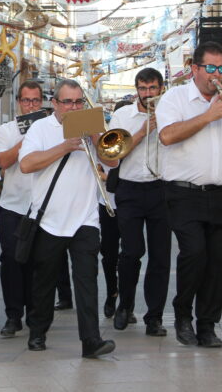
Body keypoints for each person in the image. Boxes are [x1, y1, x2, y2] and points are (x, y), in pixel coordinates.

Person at [156, 41, 222, 348]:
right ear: (195, 69)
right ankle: (183, 315)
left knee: (218, 262)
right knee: (194, 254)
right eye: (211, 68)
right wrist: (209, 115)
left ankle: (208, 324)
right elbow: (167, 136)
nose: (217, 75)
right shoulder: (175, 98)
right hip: (185, 194)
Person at [19, 79, 116, 358]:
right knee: (44, 281)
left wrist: (97, 136)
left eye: (78, 102)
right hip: (50, 219)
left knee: (87, 280)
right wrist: (65, 145)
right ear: (56, 103)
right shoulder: (41, 128)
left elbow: (111, 161)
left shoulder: (91, 125)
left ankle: (91, 340)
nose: (73, 107)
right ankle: (37, 332)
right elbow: (26, 164)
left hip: (85, 218)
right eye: (68, 102)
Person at [109, 68, 170, 337]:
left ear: (161, 88)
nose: (148, 94)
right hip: (130, 189)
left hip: (162, 189)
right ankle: (125, 305)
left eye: (153, 88)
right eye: (143, 89)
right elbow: (113, 153)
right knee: (131, 252)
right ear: (136, 90)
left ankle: (154, 317)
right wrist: (144, 130)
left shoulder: (170, 111)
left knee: (160, 257)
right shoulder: (122, 116)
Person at [0, 80, 43, 337]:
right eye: (26, 101)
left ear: (42, 102)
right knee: (11, 260)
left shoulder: (50, 129)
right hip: (12, 205)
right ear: (19, 103)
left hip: (41, 208)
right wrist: (26, 138)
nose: (31, 105)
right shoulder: (7, 130)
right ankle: (13, 315)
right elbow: (3, 161)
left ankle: (36, 315)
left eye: (35, 100)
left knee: (38, 263)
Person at [100, 99, 133, 320]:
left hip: (130, 203)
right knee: (109, 254)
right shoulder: (106, 141)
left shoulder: (136, 142)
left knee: (129, 255)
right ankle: (112, 293)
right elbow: (98, 167)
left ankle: (126, 303)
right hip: (108, 203)